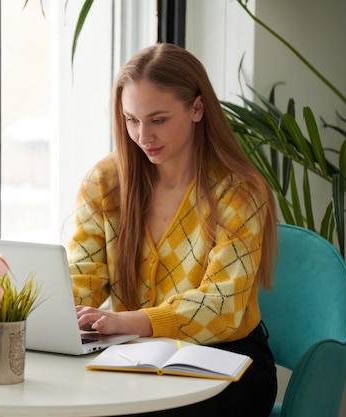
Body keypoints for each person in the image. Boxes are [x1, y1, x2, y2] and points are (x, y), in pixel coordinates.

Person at [68, 43, 278, 417]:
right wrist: (23, 309)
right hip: (132, 355)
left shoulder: (238, 190)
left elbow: (223, 304)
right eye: (131, 120)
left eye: (158, 120)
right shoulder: (105, 181)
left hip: (228, 359)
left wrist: (133, 321)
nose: (143, 135)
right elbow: (83, 278)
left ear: (197, 108)